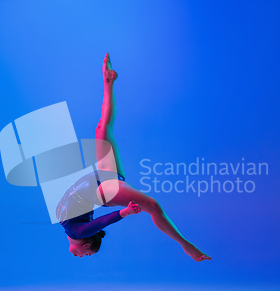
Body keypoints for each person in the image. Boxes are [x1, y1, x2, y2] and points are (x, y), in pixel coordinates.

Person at [56, 53, 211, 262]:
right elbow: (100, 223)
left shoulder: (71, 229)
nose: (82, 256)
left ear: (85, 246)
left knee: (102, 128)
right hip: (103, 190)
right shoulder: (78, 232)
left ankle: (108, 81)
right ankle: (186, 246)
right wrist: (125, 213)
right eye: (87, 255)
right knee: (152, 205)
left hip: (100, 177)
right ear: (85, 243)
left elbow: (88, 217)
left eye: (87, 255)